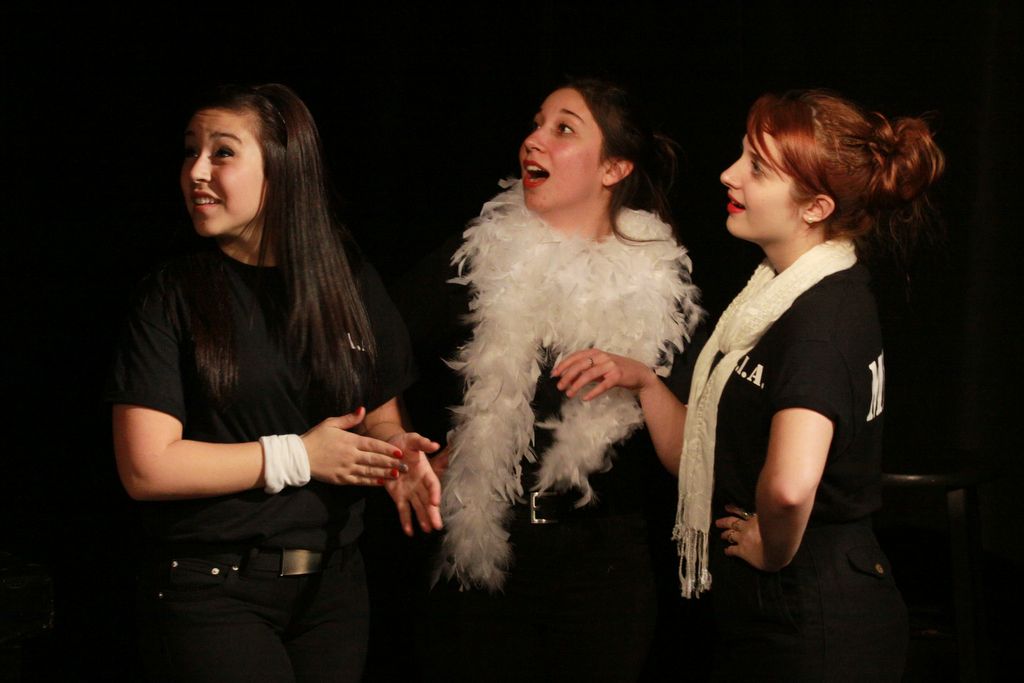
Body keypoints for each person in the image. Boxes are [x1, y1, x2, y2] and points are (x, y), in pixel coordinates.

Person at [553, 89, 944, 680]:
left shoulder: (820, 322)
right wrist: (647, 384)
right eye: (742, 155)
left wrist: (772, 547)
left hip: (814, 616)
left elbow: (788, 488)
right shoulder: (775, 298)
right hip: (777, 612)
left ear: (814, 207)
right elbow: (704, 453)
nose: (729, 174)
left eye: (757, 168)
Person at [105, 83, 442, 683]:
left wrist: (393, 453)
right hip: (213, 589)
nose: (197, 171)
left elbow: (379, 412)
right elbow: (146, 468)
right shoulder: (171, 295)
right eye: (191, 151)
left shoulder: (346, 279)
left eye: (222, 152)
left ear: (283, 171)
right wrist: (299, 456)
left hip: (333, 589)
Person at [424, 79, 703, 682]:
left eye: (563, 129)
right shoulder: (480, 253)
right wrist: (404, 446)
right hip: (484, 549)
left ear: (614, 168)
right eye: (537, 124)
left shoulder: (661, 280)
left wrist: (645, 382)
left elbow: (691, 459)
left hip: (602, 571)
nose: (534, 140)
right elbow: (366, 342)